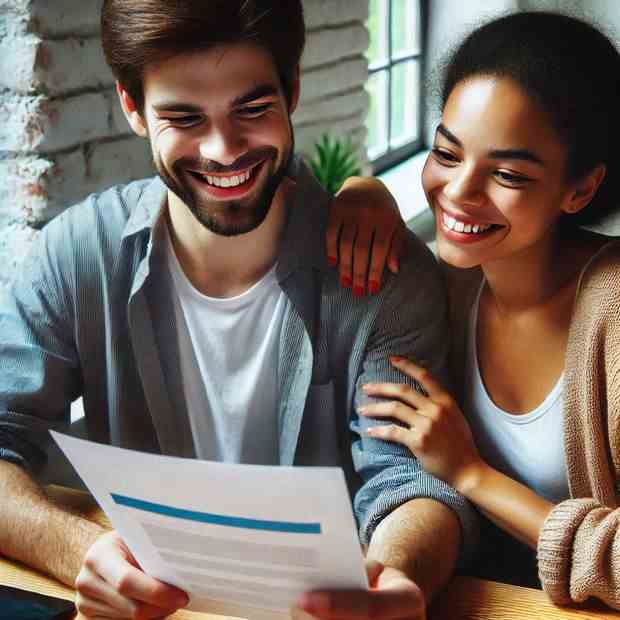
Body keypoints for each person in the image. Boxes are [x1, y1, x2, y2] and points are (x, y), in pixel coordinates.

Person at [0, 2, 479, 619]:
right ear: (131, 108)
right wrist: (81, 550)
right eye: (183, 117)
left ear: (293, 90)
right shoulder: (75, 255)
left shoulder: (382, 269)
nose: (224, 151)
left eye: (252, 110)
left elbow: (410, 480)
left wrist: (394, 578)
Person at [352, 10, 620, 611]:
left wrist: (471, 474)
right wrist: (360, 192)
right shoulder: (443, 285)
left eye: (506, 173)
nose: (459, 193)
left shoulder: (613, 315)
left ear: (579, 189)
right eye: (447, 155)